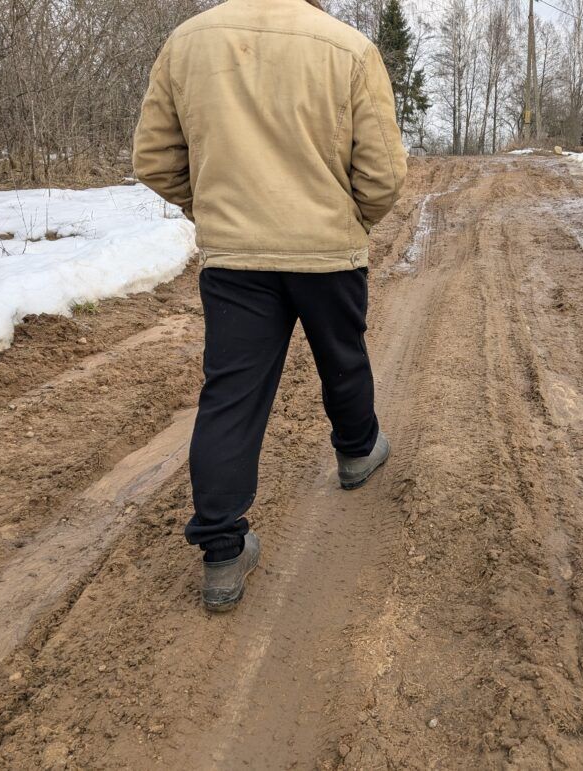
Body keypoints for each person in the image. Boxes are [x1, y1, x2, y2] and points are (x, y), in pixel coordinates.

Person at [133, 0, 406, 611]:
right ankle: (357, 452)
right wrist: (347, 220)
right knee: (342, 354)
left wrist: (216, 212)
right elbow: (384, 175)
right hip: (326, 250)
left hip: (235, 259)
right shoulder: (348, 48)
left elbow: (153, 159)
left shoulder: (187, 41)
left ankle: (223, 555)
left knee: (231, 393)